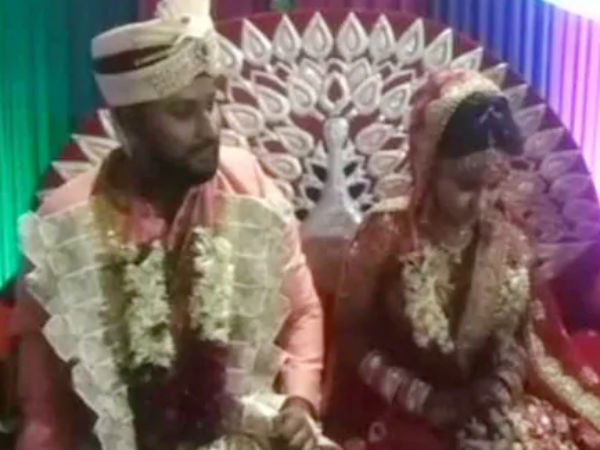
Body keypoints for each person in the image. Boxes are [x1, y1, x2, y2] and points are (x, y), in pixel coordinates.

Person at [13, 0, 326, 449]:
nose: (210, 128)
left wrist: (299, 401)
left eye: (212, 105)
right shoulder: (64, 228)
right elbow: (46, 412)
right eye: (182, 112)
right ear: (126, 125)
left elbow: (302, 312)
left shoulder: (249, 187)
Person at [324, 69, 600, 450]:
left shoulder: (508, 234)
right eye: (466, 186)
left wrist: (499, 389)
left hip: (483, 404)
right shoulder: (387, 232)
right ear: (428, 168)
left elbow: (521, 339)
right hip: (403, 408)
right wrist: (427, 401)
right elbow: (352, 335)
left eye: (494, 185)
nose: (482, 203)